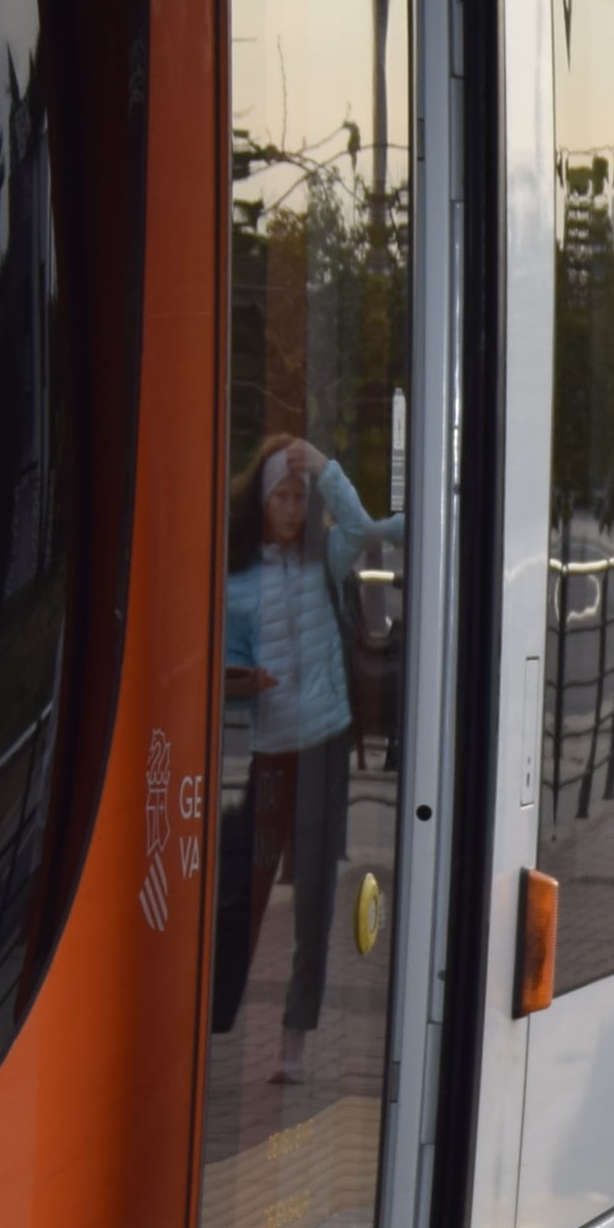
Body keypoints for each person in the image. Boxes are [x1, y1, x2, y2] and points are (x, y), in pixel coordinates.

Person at [220, 431, 401, 1085]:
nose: (293, 509)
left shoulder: (328, 555)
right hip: (269, 752)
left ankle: (295, 1034)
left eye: (300, 497)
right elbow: (224, 663)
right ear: (262, 504)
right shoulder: (239, 579)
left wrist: (327, 468)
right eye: (282, 498)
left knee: (317, 896)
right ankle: (216, 1014)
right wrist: (239, 681)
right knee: (244, 887)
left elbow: (365, 526)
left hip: (324, 743)